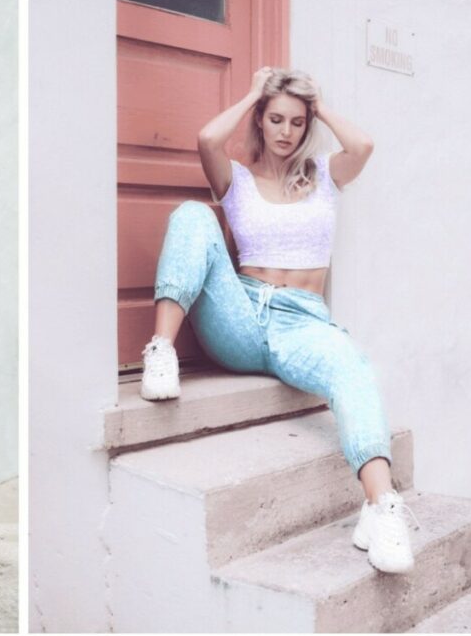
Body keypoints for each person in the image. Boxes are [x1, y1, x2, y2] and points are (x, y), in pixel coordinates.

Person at [139, 67, 418, 574]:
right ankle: (161, 351)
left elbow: (365, 145)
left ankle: (381, 509)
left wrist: (319, 99)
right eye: (275, 119)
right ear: (260, 121)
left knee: (351, 366)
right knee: (193, 215)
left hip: (302, 325)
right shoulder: (238, 179)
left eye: (296, 121)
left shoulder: (325, 175)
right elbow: (207, 137)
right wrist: (252, 92)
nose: (286, 131)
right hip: (240, 318)